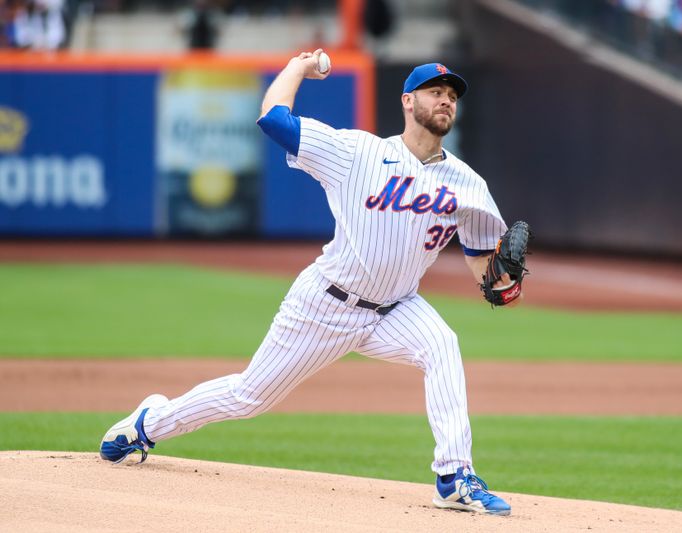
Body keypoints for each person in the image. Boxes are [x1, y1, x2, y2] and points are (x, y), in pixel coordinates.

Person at [100, 50, 522, 516]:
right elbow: (274, 120)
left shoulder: (468, 184)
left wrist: (501, 285)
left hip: (397, 308)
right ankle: (148, 423)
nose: (446, 101)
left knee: (442, 345)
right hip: (326, 304)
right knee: (249, 397)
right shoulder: (358, 153)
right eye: (435, 92)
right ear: (408, 101)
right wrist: (298, 68)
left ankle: (453, 477)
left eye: (451, 96)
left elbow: (483, 260)